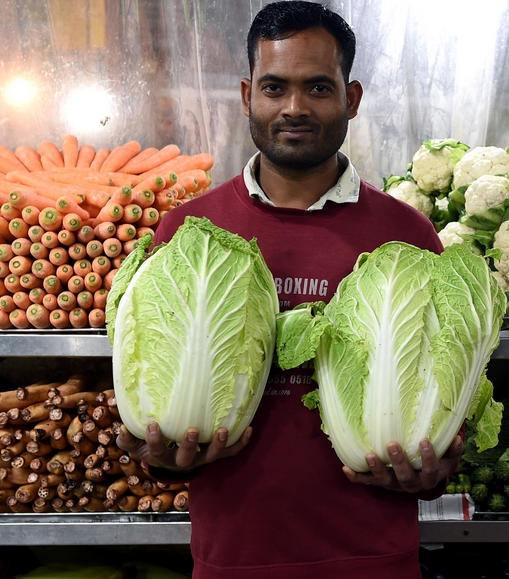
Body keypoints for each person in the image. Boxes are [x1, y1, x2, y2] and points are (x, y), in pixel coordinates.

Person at [116, 2, 462, 577]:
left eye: (318, 88)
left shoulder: (406, 234)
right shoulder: (190, 231)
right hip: (234, 558)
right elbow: (154, 379)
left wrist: (434, 470)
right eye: (274, 87)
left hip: (373, 558)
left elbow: (445, 380)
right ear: (247, 95)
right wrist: (162, 458)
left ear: (352, 98)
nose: (294, 107)